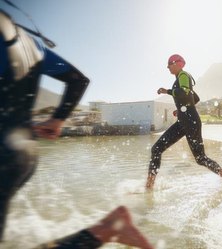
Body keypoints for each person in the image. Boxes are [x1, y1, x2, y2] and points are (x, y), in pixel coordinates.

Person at [0, 9, 153, 249]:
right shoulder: (30, 42)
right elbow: (78, 80)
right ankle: (104, 231)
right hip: (24, 153)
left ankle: (104, 231)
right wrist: (57, 120)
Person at [145, 54, 222, 190]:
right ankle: (149, 186)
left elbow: (186, 92)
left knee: (200, 158)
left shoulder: (183, 75)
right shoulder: (180, 79)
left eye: (170, 63)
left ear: (178, 63)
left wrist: (167, 91)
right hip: (184, 121)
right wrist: (180, 109)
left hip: (191, 121)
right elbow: (195, 98)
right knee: (156, 149)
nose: (167, 66)